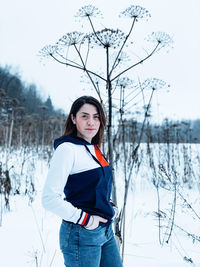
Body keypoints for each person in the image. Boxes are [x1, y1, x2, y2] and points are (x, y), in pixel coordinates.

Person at [42, 96, 123, 267]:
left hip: (106, 231)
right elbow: (49, 198)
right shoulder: (67, 150)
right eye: (84, 116)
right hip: (82, 233)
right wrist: (86, 220)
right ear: (73, 118)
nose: (91, 122)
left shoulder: (94, 148)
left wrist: (109, 205)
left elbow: (95, 187)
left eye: (96, 116)